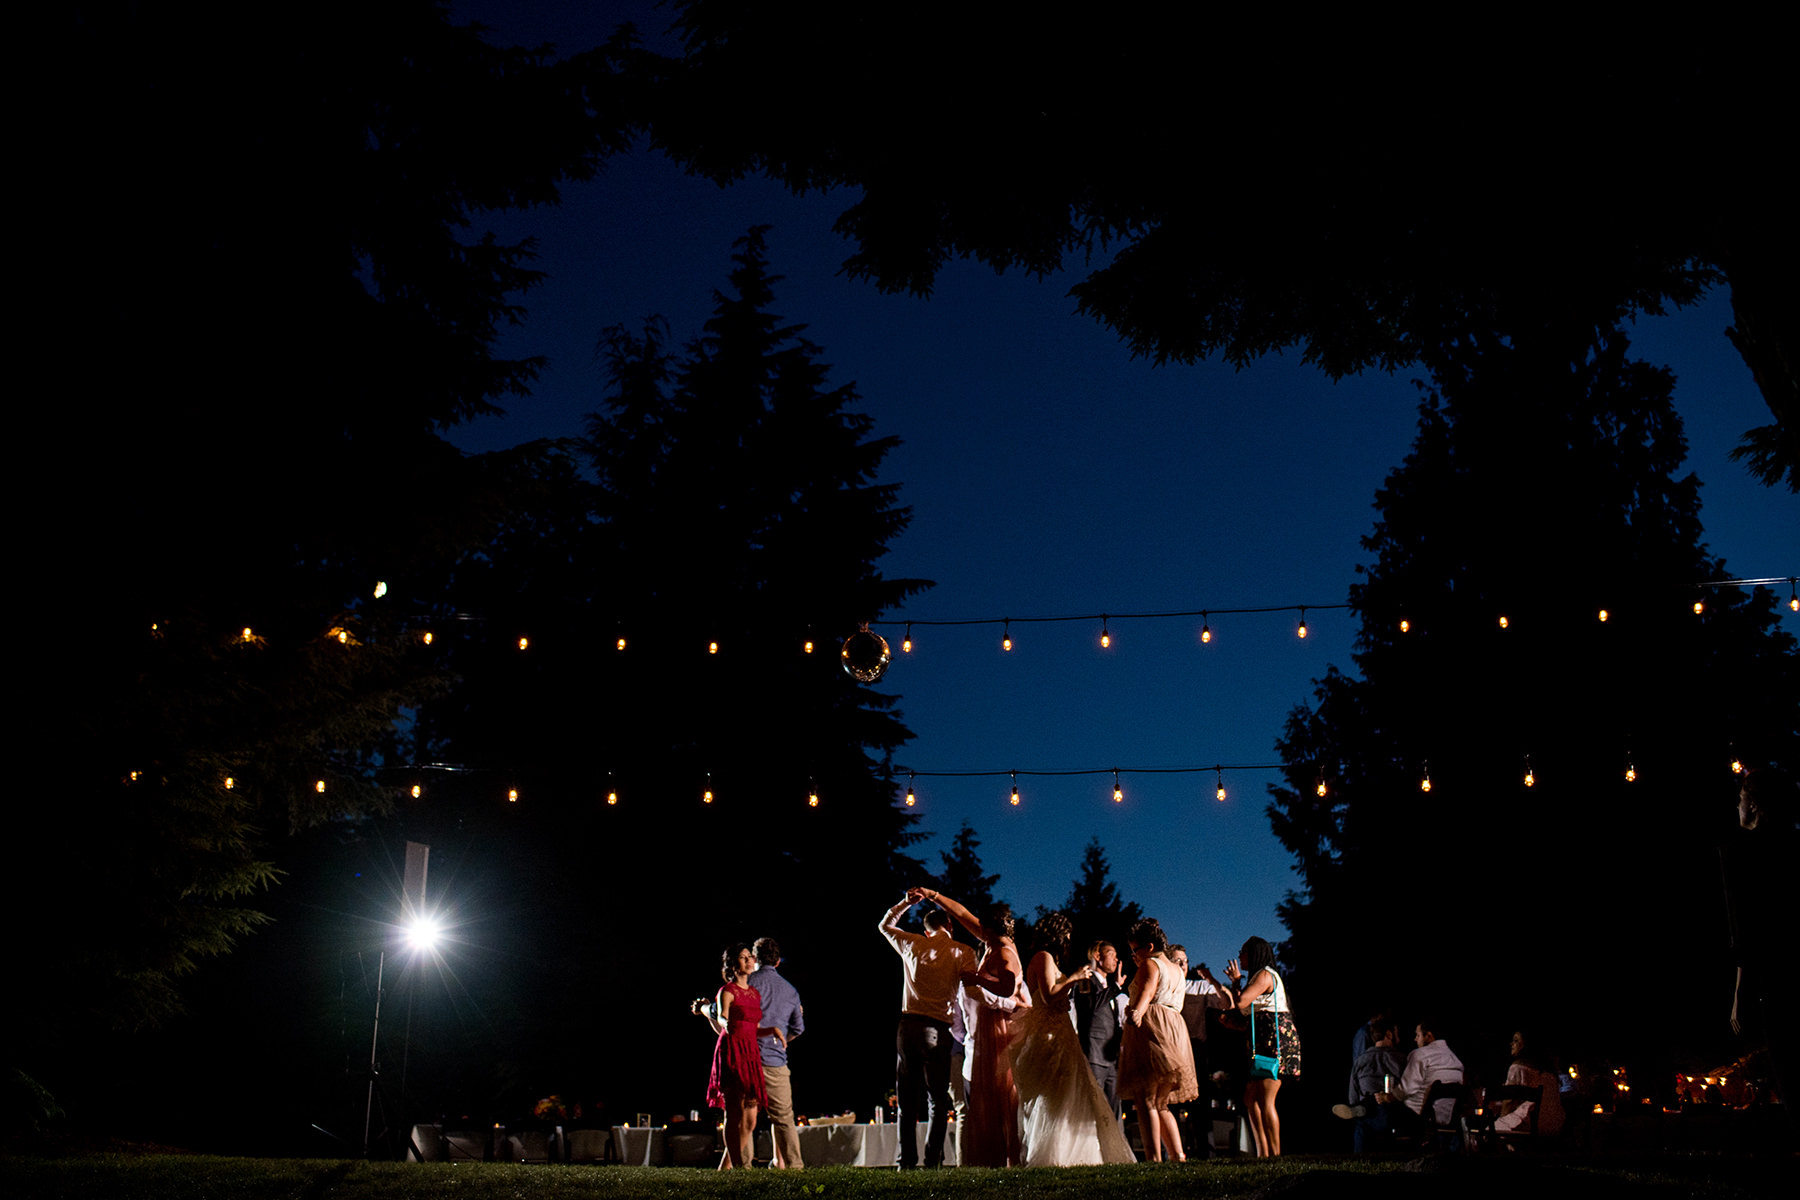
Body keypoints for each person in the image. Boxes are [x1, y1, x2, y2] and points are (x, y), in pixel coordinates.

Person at [1007, 912, 1135, 1166]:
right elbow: (1048, 996)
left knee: (1069, 1095)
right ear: (1055, 935)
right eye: (1065, 935)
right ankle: (1049, 1155)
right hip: (1047, 1034)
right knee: (1052, 1094)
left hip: (1061, 1032)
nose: (1068, 940)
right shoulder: (1042, 957)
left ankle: (1073, 1154)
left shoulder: (1050, 960)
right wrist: (1074, 978)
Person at [919, 886, 1029, 1167]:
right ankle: (992, 1158)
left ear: (991, 929)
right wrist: (935, 896)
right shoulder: (993, 943)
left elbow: (1008, 987)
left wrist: (978, 981)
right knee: (986, 1098)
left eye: (983, 926)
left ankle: (1008, 1158)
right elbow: (963, 914)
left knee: (1001, 1096)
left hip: (998, 1031)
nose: (977, 928)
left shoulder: (1004, 952)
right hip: (986, 1029)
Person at [1720, 764, 1796, 1140]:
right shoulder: (1788, 845)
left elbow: (1745, 930)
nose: (1736, 805)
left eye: (1740, 798)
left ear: (1754, 805)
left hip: (1773, 973)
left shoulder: (1745, 854)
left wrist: (1738, 991)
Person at [879, 889, 976, 1169]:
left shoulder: (912, 944)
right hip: (940, 1029)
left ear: (926, 929)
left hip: (909, 1027)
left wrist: (904, 904)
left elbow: (884, 926)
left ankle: (905, 1161)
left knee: (907, 1100)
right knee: (937, 1100)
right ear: (950, 925)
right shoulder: (963, 951)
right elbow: (971, 991)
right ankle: (933, 1160)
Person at [694, 943, 786, 1169]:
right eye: (744, 958)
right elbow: (723, 1019)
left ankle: (728, 1166)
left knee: (751, 1117)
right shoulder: (727, 991)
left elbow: (752, 1027)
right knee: (734, 1113)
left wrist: (772, 1030)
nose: (749, 961)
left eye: (750, 957)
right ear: (734, 965)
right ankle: (736, 1166)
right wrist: (724, 1021)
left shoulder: (754, 993)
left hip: (751, 1052)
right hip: (732, 1050)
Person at [1117, 917, 1199, 1162]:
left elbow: (1148, 991)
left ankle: (1153, 1158)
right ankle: (1177, 1155)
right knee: (1161, 1102)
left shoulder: (1150, 964)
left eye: (1135, 949)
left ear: (1149, 947)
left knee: (1146, 1099)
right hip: (1174, 1027)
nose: (1133, 955)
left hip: (1153, 1026)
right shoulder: (1176, 969)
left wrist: (1136, 1013)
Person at [1224, 935, 1301, 1157]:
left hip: (1275, 1041)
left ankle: (1274, 1154)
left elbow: (1241, 1002)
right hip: (1262, 1040)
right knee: (1251, 1098)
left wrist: (1237, 981)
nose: (1239, 956)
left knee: (1266, 1098)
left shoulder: (1265, 975)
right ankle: (1263, 1151)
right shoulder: (1258, 977)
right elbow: (1247, 1012)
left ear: (1255, 953)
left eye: (1243, 952)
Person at [1168, 943, 1235, 1156]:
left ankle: (1207, 1153)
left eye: (1185, 961)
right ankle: (1175, 1153)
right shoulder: (1163, 989)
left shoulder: (1197, 987)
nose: (1183, 965)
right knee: (1171, 1104)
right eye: (1178, 961)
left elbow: (1227, 1004)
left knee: (1201, 1104)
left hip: (1197, 1052)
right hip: (1171, 1053)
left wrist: (1212, 980)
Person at [747, 937, 806, 1168]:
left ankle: (743, 1168)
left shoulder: (746, 983)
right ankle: (794, 1167)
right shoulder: (790, 991)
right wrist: (782, 1041)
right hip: (775, 1061)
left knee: (744, 1121)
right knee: (783, 1120)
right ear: (778, 962)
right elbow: (798, 1029)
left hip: (747, 1060)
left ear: (754, 959)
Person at [1071, 940, 1128, 1119]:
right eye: (1112, 954)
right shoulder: (1085, 980)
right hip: (1093, 1055)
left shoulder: (1108, 987)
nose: (1116, 959)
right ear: (1098, 956)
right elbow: (1090, 1005)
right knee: (1094, 1110)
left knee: (1114, 1113)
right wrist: (1116, 987)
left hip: (1111, 1059)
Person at [1332, 1016, 1406, 1150]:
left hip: (1368, 1110)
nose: (1398, 1037)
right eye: (1396, 1033)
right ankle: (1363, 1110)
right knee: (1384, 1109)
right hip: (1392, 1111)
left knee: (1362, 1122)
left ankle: (1361, 1111)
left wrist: (1355, 1104)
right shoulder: (1400, 1059)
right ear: (1389, 1034)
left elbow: (1353, 1093)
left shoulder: (1361, 1060)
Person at [1387, 1019, 1463, 1127]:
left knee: (1381, 1112)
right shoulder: (1455, 1061)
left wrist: (1387, 1097)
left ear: (1428, 1036)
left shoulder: (1420, 1055)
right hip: (1448, 1119)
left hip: (1418, 1115)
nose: (1415, 1039)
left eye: (1418, 1035)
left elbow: (1406, 1089)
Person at [1492, 1029, 1564, 1137]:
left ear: (1526, 1044)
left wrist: (1502, 1119)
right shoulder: (1550, 1071)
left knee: (1486, 1133)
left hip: (1529, 1122)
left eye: (1516, 1040)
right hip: (1554, 1123)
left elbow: (1509, 1101)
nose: (1511, 1044)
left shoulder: (1518, 1067)